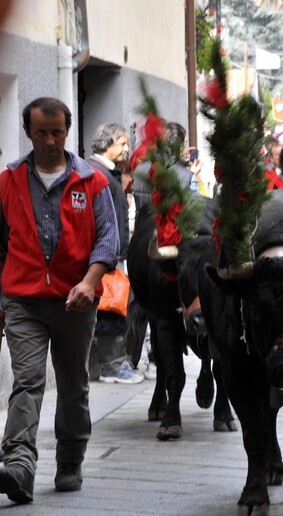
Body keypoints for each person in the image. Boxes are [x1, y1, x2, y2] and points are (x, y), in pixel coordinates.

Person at [0, 97, 120, 502]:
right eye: (41, 133)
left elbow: (109, 239)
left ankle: (70, 459)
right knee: (28, 381)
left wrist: (90, 282)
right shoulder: (9, 180)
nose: (51, 140)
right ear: (28, 133)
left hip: (76, 301)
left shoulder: (93, 181)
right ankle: (18, 465)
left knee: (73, 387)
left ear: (68, 132)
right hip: (24, 301)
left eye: (57, 132)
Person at [87, 124, 144, 385]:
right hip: (107, 258)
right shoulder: (97, 174)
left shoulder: (106, 172)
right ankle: (111, 365)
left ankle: (101, 366)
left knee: (111, 308)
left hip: (112, 255)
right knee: (111, 309)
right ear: (107, 144)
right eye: (122, 143)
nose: (127, 149)